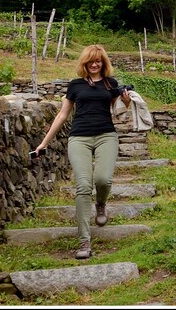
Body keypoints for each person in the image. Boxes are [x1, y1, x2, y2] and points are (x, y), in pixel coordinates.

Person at [34, 44, 131, 260]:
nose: (94, 64)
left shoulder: (110, 84)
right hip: (79, 138)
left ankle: (101, 204)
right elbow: (62, 115)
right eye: (90, 61)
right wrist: (44, 143)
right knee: (84, 186)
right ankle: (84, 241)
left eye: (98, 61)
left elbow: (118, 111)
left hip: (106, 135)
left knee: (103, 179)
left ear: (103, 63)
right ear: (84, 63)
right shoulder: (75, 86)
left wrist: (127, 101)